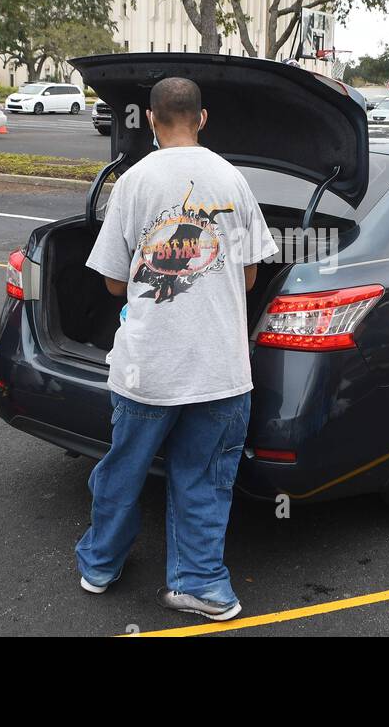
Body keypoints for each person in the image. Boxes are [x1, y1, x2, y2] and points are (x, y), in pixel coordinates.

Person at [76, 76, 277, 621]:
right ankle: (202, 585)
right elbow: (252, 274)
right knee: (206, 477)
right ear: (203, 118)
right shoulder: (232, 181)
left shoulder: (135, 182)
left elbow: (114, 283)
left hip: (148, 368)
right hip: (221, 367)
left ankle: (100, 566)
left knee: (124, 470)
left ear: (147, 117)